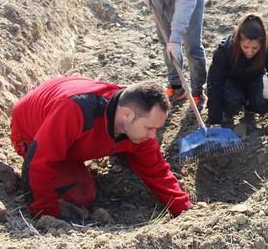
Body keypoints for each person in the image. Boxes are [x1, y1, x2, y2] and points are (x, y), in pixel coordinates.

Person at [10, 76, 191, 219]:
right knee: (82, 193)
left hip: (67, 98)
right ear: (127, 114)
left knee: (139, 149)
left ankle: (119, 149)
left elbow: (156, 170)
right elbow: (39, 162)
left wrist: (183, 210)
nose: (153, 136)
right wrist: (47, 215)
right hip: (31, 131)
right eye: (149, 128)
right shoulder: (76, 111)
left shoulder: (132, 111)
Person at [207, 14, 268, 141]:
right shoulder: (225, 49)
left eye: (255, 48)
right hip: (231, 82)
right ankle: (228, 113)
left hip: (255, 79)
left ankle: (250, 108)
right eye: (246, 47)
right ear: (239, 41)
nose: (250, 51)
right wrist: (214, 121)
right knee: (232, 101)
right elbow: (214, 83)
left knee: (265, 101)